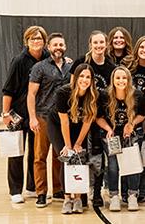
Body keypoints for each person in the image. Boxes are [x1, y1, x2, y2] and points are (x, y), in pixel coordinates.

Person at [2, 25, 49, 203]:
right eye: (32, 39)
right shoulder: (19, 60)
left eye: (39, 38)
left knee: (35, 153)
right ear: (26, 41)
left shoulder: (47, 58)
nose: (36, 41)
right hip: (18, 114)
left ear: (44, 41)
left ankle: (31, 187)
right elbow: (8, 90)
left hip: (37, 114)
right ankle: (15, 190)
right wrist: (6, 114)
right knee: (16, 152)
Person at [70, 30, 116, 207]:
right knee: (80, 155)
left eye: (101, 43)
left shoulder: (111, 67)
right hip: (80, 118)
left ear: (106, 45)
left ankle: (97, 193)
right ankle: (81, 192)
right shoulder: (81, 63)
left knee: (98, 158)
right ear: (90, 44)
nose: (98, 46)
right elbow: (73, 87)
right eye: (95, 43)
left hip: (100, 119)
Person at [47, 63, 99, 214]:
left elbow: (88, 121)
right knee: (67, 156)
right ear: (75, 78)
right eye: (81, 76)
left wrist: (78, 143)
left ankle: (77, 198)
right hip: (57, 125)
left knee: (79, 156)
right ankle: (67, 198)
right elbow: (64, 121)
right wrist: (69, 146)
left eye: (88, 77)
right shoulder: (63, 93)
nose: (84, 79)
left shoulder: (93, 95)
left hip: (78, 125)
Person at [27, 32, 71, 207]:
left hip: (62, 117)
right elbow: (31, 94)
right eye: (55, 45)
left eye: (61, 44)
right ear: (49, 47)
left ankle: (58, 189)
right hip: (43, 116)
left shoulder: (70, 66)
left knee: (58, 155)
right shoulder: (40, 67)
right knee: (40, 156)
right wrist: (32, 118)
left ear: (65, 47)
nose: (58, 48)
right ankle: (41, 193)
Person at [96, 66, 145, 211]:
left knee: (132, 164)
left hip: (130, 134)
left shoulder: (137, 95)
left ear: (129, 79)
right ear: (113, 80)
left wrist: (131, 124)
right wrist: (108, 129)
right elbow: (98, 118)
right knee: (113, 165)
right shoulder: (105, 95)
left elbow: (142, 114)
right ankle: (114, 197)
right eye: (118, 78)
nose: (121, 80)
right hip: (111, 135)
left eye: (124, 78)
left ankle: (132, 196)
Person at [122, 35, 145, 204]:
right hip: (129, 118)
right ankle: (127, 191)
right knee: (129, 155)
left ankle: (142, 191)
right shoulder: (128, 67)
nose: (144, 50)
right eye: (141, 47)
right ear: (137, 49)